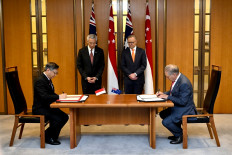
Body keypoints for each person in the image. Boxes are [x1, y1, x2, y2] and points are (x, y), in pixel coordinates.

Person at [157, 64, 197, 144]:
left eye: (168, 77)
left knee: (166, 122)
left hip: (185, 109)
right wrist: (163, 94)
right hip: (179, 106)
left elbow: (183, 101)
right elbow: (174, 92)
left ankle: (180, 135)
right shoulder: (177, 79)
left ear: (174, 74)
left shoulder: (184, 83)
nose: (167, 78)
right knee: (162, 114)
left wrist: (167, 97)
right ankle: (177, 133)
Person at [32, 62, 69, 145]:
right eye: (54, 73)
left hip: (47, 106)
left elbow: (50, 94)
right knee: (59, 118)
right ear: (48, 70)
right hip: (40, 108)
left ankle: (49, 135)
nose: (55, 75)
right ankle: (47, 137)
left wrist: (60, 96)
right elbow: (44, 96)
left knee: (64, 116)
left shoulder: (47, 79)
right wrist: (59, 97)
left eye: (56, 73)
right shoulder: (40, 81)